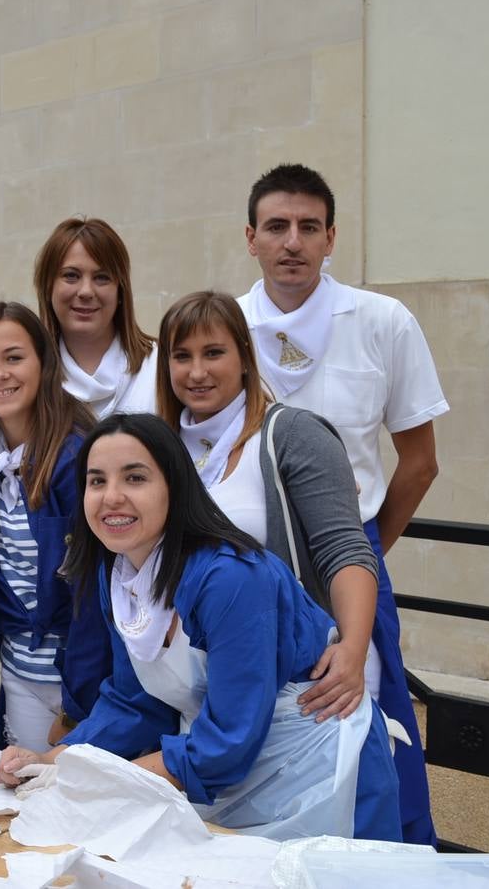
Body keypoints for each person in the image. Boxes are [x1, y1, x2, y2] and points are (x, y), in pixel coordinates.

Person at [0, 414, 402, 842]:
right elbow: (137, 703)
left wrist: (101, 780)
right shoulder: (117, 573)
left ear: (175, 486)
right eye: (96, 482)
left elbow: (230, 739)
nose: (111, 497)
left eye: (134, 478)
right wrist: (55, 760)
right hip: (223, 768)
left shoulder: (229, 579)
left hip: (317, 767)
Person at [240, 163, 446, 845]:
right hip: (248, 565)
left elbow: (419, 463)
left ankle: (389, 863)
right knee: (258, 727)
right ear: (251, 239)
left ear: (331, 238)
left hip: (345, 557)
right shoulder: (225, 329)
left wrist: (357, 555)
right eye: (276, 227)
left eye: (307, 227)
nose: (291, 241)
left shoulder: (383, 320)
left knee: (370, 725)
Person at [156, 291, 380, 724]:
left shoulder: (294, 435)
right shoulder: (157, 451)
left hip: (291, 686)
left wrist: (352, 650)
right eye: (181, 356)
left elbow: (344, 550)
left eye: (213, 353)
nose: (197, 372)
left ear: (244, 356)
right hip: (190, 692)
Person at [0, 301, 105, 752]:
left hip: (80, 686)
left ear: (43, 362)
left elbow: (95, 596)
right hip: (19, 675)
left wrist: (76, 709)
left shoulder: (76, 460)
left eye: (14, 358)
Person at [33, 217, 158, 418]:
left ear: (120, 291)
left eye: (102, 278)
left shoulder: (160, 367)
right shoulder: (29, 377)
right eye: (71, 276)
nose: (86, 291)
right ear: (48, 287)